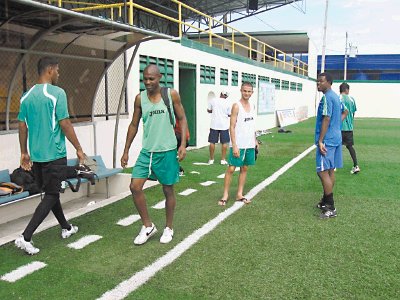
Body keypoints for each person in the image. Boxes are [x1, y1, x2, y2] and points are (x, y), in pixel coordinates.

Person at [15, 57, 87, 255]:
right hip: (54, 155)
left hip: (37, 157)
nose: (59, 74)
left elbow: (22, 126)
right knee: (52, 194)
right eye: (57, 70)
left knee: (51, 192)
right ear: (50, 70)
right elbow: (65, 124)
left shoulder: (26, 96)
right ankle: (25, 236)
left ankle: (66, 227)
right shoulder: (57, 93)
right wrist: (79, 148)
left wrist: (24, 153)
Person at [121, 64, 187, 245]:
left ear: (159, 78)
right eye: (145, 79)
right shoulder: (139, 99)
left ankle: (169, 227)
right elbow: (134, 125)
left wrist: (182, 144)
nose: (148, 82)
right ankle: (148, 226)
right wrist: (126, 150)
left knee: (168, 190)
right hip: (147, 151)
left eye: (151, 78)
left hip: (167, 151)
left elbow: (182, 118)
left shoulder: (170, 94)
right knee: (135, 186)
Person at [218, 82, 258, 206]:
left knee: (244, 168)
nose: (247, 93)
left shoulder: (253, 105)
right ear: (241, 90)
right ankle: (225, 195)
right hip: (238, 144)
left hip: (249, 143)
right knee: (231, 168)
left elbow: (252, 125)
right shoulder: (236, 106)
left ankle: (239, 194)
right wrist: (234, 145)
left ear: (252, 92)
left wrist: (255, 140)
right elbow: (232, 126)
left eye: (249, 91)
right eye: (244, 91)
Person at [315, 72, 347, 219]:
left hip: (327, 140)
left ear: (329, 82)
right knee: (330, 171)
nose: (318, 84)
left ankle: (330, 206)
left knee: (322, 172)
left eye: (321, 81)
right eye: (317, 81)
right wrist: (336, 125)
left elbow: (326, 119)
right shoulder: (336, 96)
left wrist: (321, 140)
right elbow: (345, 112)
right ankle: (324, 201)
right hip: (336, 137)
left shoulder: (327, 97)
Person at [340, 82, 360, 174]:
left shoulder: (338, 98)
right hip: (349, 128)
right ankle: (356, 165)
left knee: (336, 146)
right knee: (350, 146)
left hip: (339, 127)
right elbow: (353, 112)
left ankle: (334, 166)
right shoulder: (352, 99)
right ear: (347, 90)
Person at [207, 90, 231, 165]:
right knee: (224, 142)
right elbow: (229, 114)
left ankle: (211, 159)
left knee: (212, 142)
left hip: (214, 124)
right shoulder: (228, 103)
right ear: (226, 96)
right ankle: (223, 160)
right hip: (224, 125)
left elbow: (209, 110)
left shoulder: (213, 100)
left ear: (220, 94)